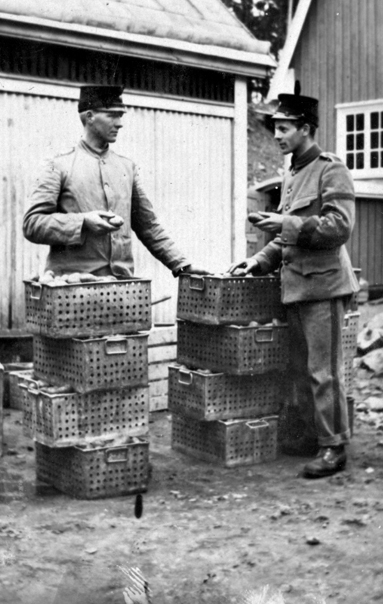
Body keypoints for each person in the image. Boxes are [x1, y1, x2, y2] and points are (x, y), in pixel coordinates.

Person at [229, 82, 359, 478]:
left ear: (305, 128)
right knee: (301, 370)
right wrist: (258, 261)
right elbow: (287, 238)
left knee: (325, 371)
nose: (277, 135)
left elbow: (339, 227)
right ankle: (312, 435)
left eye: (284, 128)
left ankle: (334, 446)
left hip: (324, 289)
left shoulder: (331, 169)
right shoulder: (292, 174)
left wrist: (285, 223)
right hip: (297, 287)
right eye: (276, 127)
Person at [23, 84, 208, 282]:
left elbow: (148, 226)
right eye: (112, 115)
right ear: (89, 116)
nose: (120, 124)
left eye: (120, 116)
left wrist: (182, 265)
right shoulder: (58, 165)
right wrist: (83, 222)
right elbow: (32, 224)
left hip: (122, 288)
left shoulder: (127, 168)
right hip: (71, 288)